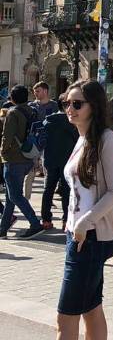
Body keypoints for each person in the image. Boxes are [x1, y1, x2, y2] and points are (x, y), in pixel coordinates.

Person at [5, 80, 113, 340]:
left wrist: (84, 223)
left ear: (94, 106)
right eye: (66, 103)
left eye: (76, 104)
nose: (69, 110)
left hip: (90, 238)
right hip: (80, 236)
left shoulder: (107, 140)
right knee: (91, 309)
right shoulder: (83, 138)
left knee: (66, 319)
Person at [0, 85, 41, 239]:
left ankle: (35, 223)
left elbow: (7, 135)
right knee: (12, 194)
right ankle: (3, 228)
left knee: (15, 195)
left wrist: (3, 151)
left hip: (13, 158)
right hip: (28, 156)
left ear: (12, 98)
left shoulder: (13, 112)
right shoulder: (31, 110)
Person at [38, 101, 78, 231]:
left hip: (50, 159)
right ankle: (66, 219)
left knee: (48, 189)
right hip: (67, 160)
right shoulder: (71, 122)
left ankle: (46, 219)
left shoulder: (48, 121)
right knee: (66, 190)